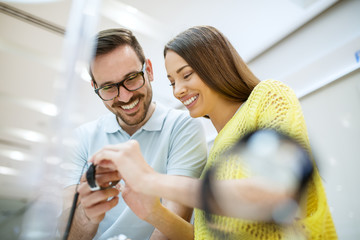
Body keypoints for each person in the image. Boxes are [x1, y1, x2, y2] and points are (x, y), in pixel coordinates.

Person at [89, 25, 338, 240]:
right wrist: (153, 212)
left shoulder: (268, 95)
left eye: (186, 75)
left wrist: (151, 180)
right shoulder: (216, 155)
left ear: (215, 64)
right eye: (172, 82)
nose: (178, 91)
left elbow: (276, 190)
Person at [61, 28, 208, 240]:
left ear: (148, 69)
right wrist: (86, 215)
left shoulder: (183, 126)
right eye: (109, 87)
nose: (125, 96)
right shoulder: (81, 139)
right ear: (95, 87)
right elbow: (66, 234)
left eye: (131, 78)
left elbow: (171, 231)